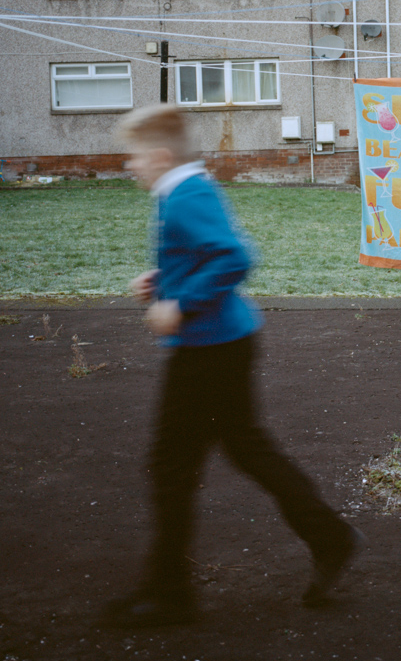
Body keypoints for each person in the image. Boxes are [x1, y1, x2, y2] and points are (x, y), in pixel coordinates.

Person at [103, 104, 362, 628]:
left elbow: (233, 257)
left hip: (209, 351)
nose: (130, 166)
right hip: (222, 343)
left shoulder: (185, 195)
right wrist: (163, 282)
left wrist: (180, 304)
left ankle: (170, 594)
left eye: (134, 156)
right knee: (245, 449)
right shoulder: (184, 190)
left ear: (159, 156)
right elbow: (201, 255)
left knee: (172, 466)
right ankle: (329, 537)